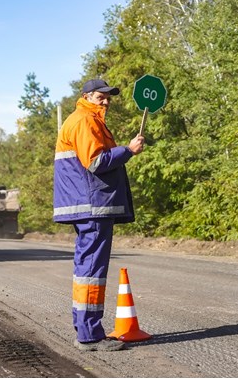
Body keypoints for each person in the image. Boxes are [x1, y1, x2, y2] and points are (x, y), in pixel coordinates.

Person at [53, 79, 145, 352]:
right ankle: (90, 336)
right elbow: (96, 162)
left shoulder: (85, 120)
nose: (105, 101)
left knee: (86, 271)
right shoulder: (84, 120)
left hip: (88, 206)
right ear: (86, 97)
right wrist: (128, 150)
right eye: (99, 96)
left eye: (108, 97)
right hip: (92, 206)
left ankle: (85, 329)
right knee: (92, 271)